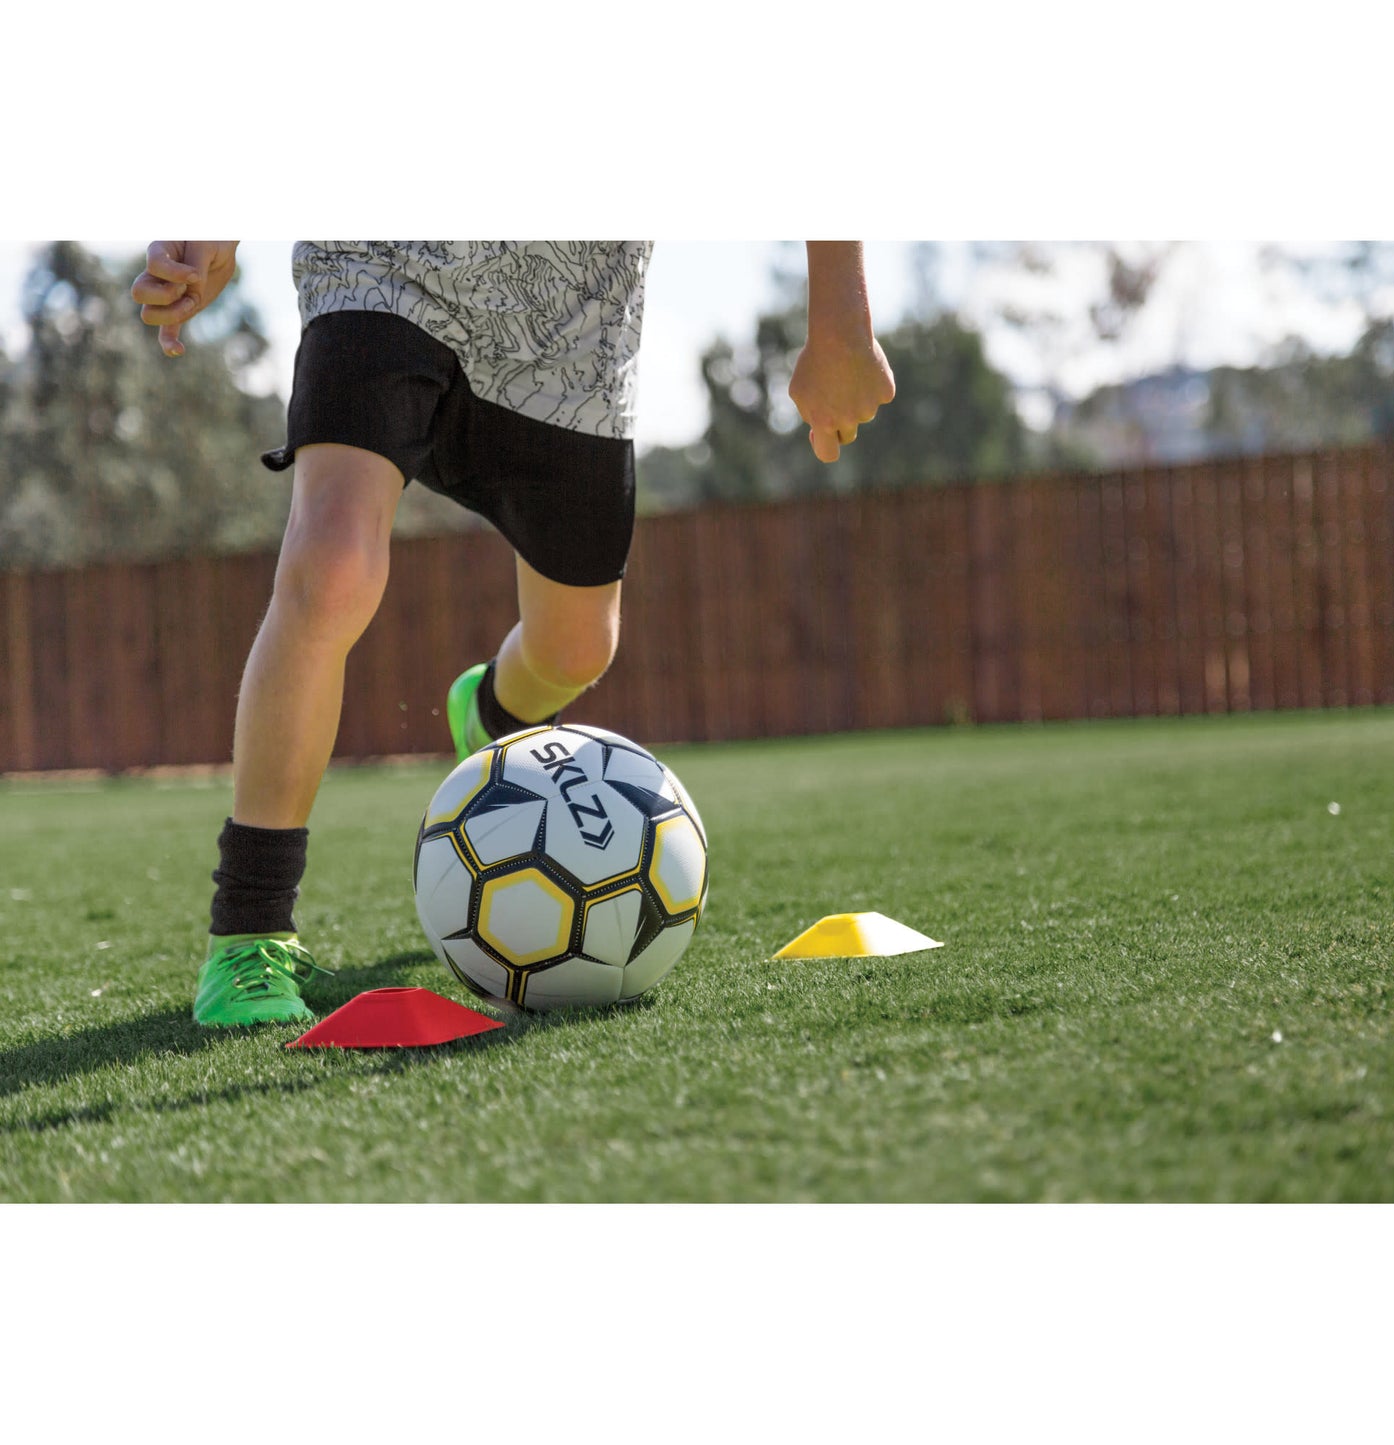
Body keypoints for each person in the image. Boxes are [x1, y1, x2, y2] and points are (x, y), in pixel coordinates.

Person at [131, 240, 896, 1027]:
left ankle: (493, 716)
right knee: (331, 569)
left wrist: (841, 317)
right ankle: (251, 930)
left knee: (577, 649)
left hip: (575, 325)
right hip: (381, 261)